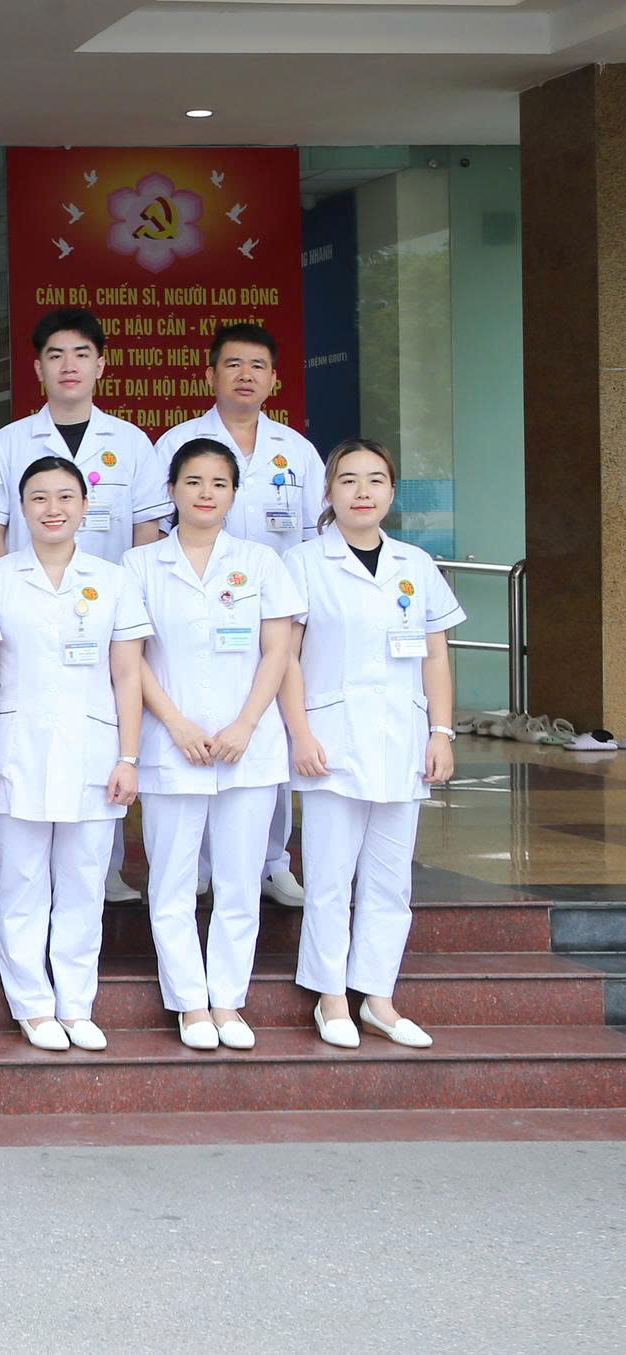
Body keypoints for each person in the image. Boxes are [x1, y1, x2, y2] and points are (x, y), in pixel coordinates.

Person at [279, 439, 463, 1050]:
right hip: (329, 740)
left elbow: (435, 653)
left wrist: (441, 732)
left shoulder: (416, 562)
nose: (363, 491)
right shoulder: (304, 562)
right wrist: (301, 732)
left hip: (402, 741)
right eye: (349, 480)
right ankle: (331, 996)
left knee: (390, 879)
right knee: (330, 874)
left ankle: (378, 996)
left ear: (391, 491)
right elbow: (287, 659)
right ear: (327, 493)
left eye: (376, 480)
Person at [0, 308, 166, 905]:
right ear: (37, 368)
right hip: (23, 614)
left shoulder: (133, 443)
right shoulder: (8, 443)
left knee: (103, 740)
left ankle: (110, 867)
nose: (69, 366)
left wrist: (130, 596)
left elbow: (145, 530)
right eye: (56, 356)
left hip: (105, 610)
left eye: (81, 354)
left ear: (101, 364)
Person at [125, 438, 303, 1051]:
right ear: (172, 489)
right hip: (170, 744)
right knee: (171, 880)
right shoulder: (138, 565)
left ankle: (228, 999)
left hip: (246, 746)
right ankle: (189, 1003)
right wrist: (174, 723)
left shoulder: (260, 562)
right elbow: (132, 660)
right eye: (194, 481)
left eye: (219, 483)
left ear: (234, 494)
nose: (206, 493)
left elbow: (279, 651)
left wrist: (245, 726)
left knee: (238, 880)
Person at [142, 322, 327, 910]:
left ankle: (273, 861)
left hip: (273, 616)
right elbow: (151, 525)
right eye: (232, 365)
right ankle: (196, 865)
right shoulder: (176, 441)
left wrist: (297, 624)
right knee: (195, 731)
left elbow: (312, 535)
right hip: (189, 611)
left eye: (257, 366)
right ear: (210, 374)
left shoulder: (296, 450)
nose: (245, 376)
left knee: (263, 737)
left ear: (274, 379)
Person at [0, 455, 151, 1052]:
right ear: (22, 507)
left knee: (83, 884)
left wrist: (129, 755)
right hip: (17, 746)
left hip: (94, 748)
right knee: (22, 883)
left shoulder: (114, 579)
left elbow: (128, 675)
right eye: (38, 498)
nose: (52, 509)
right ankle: (32, 1005)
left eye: (64, 498)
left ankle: (77, 1005)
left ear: (85, 507)